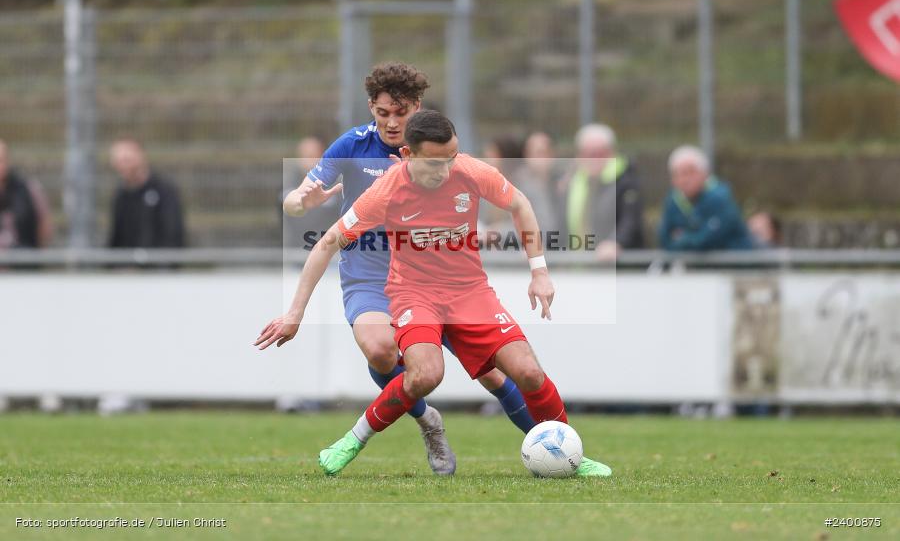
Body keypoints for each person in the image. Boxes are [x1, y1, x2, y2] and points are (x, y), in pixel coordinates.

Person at [257, 110, 612, 478]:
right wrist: (295, 313)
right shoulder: (387, 189)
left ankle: (572, 454)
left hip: (470, 292)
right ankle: (353, 439)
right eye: (434, 162)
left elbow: (520, 204)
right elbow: (328, 243)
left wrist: (539, 272)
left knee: (529, 372)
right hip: (414, 294)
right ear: (408, 155)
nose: (445, 170)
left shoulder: (471, 171)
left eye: (451, 158)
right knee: (425, 374)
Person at [280, 63, 534, 476]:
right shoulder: (351, 146)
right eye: (383, 114)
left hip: (434, 278)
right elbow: (298, 202)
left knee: (493, 375)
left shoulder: (431, 151)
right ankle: (428, 422)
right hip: (369, 276)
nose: (392, 122)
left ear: (417, 107)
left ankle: (550, 444)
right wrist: (301, 201)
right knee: (382, 351)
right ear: (371, 108)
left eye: (401, 113)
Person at [563, 124, 644, 261]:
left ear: (611, 152)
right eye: (589, 154)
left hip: (617, 266)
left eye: (600, 153)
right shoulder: (571, 182)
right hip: (578, 266)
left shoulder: (626, 181)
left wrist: (615, 242)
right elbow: (560, 221)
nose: (594, 159)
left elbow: (630, 220)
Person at [658, 145, 753, 251]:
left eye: (689, 172)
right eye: (677, 174)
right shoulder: (673, 201)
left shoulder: (721, 198)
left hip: (734, 265)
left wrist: (683, 238)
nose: (684, 180)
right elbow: (665, 239)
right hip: (697, 267)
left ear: (705, 173)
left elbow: (708, 240)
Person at [108, 138, 185, 248]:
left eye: (126, 160)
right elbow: (116, 238)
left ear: (140, 157)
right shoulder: (120, 196)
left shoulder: (164, 191)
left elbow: (173, 235)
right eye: (117, 161)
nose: (121, 166)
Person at [281, 136, 340, 248]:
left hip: (329, 252)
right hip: (296, 251)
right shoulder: (288, 184)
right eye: (306, 156)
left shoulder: (337, 185)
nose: (309, 160)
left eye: (314, 155)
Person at [0, 139, 53, 249]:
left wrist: (36, 255)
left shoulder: (27, 188)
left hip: (21, 259)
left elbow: (44, 225)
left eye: (1, 160)